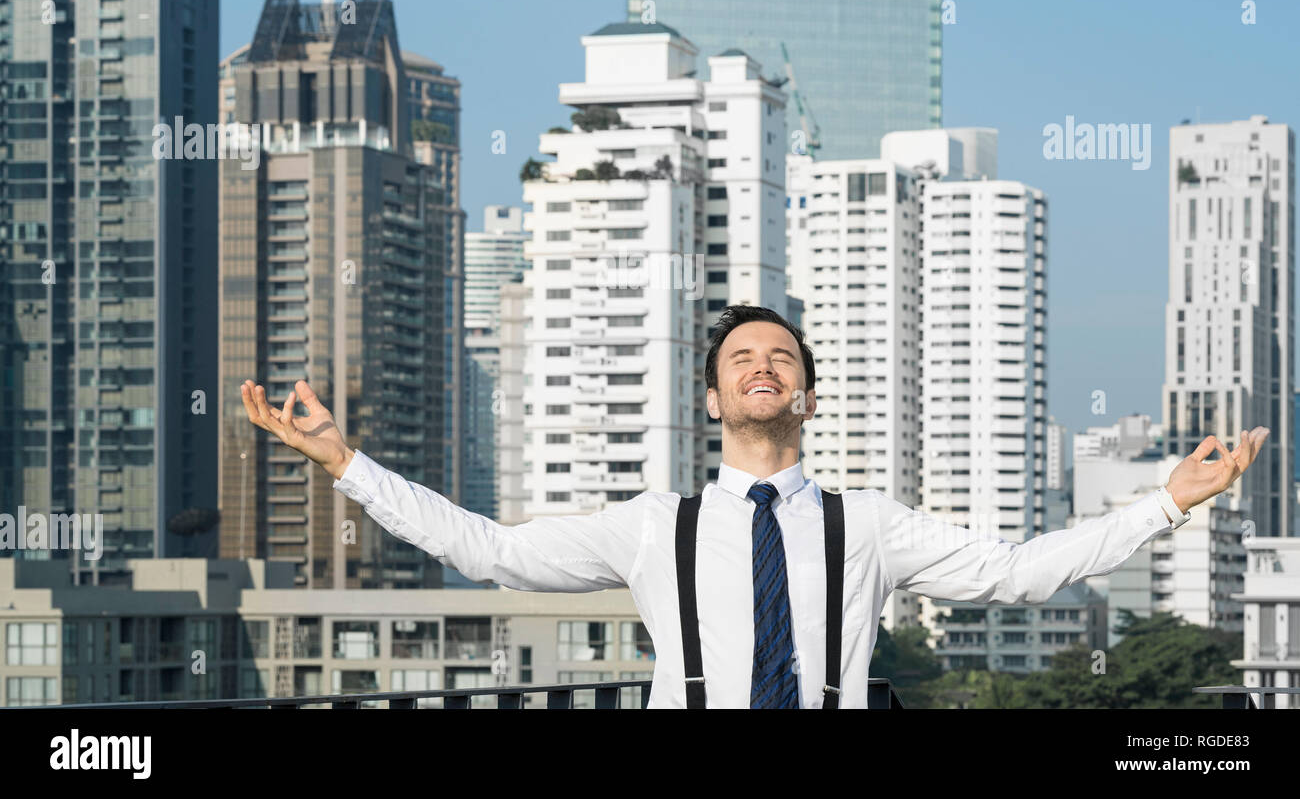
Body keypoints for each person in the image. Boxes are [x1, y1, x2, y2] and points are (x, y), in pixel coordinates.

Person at [240, 304, 1269, 708]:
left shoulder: (865, 521)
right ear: (713, 398)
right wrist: (344, 462)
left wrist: (1165, 504)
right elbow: (491, 552)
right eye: (741, 358)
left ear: (806, 395)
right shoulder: (657, 525)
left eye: (781, 356)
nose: (761, 366)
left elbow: (1013, 572)